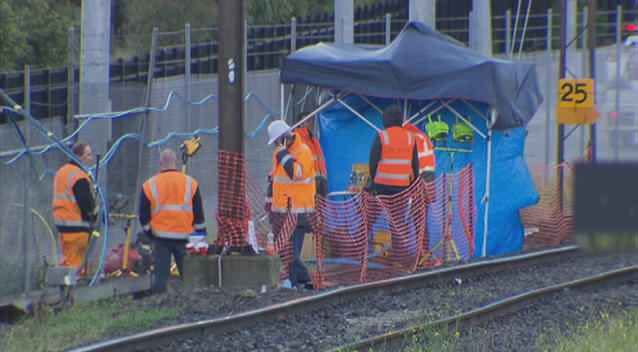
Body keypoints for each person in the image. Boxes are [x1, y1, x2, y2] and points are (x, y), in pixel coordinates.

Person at [138, 148, 207, 294]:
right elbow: (199, 216)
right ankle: (192, 299)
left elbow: (143, 216)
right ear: (175, 162)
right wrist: (199, 240)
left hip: (160, 237)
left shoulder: (149, 185)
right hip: (185, 237)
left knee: (161, 276)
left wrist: (150, 233)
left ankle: (160, 303)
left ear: (160, 163)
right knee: (188, 276)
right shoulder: (191, 183)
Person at [266, 119, 316, 289]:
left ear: (283, 138)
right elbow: (274, 178)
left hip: (298, 212)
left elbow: (295, 173)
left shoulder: (303, 151)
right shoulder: (279, 154)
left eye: (276, 142)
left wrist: (282, 153)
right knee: (285, 251)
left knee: (292, 253)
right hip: (281, 212)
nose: (275, 146)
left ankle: (298, 282)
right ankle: (302, 281)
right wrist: (269, 201)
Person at [52, 142, 98, 269]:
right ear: (79, 156)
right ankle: (73, 287)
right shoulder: (79, 176)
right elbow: (86, 203)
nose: (91, 158)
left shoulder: (61, 172)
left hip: (63, 226)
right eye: (88, 155)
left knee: (68, 261)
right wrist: (94, 214)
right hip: (77, 227)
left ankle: (67, 285)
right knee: (75, 267)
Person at [368, 105, 419, 195]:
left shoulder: (382, 135)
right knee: (398, 209)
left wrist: (373, 181)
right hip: (403, 185)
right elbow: (415, 164)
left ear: (385, 119)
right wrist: (414, 182)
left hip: (382, 184)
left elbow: (373, 162)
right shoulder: (410, 137)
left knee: (380, 208)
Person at [294, 112, 328, 197]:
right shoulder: (297, 138)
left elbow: (320, 158)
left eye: (308, 121)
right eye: (304, 121)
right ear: (299, 123)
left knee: (320, 205)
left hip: (319, 179)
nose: (307, 123)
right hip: (308, 180)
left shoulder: (312, 139)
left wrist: (323, 175)